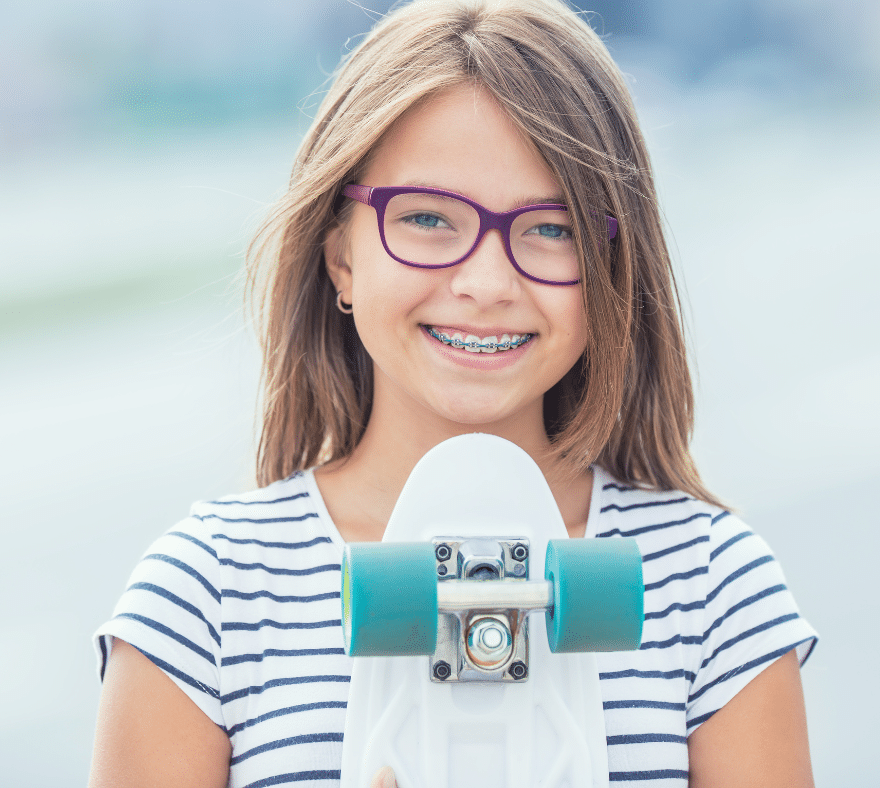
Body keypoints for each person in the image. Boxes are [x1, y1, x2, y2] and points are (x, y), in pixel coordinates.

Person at [88, 0, 817, 786]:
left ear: (612, 262)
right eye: (429, 218)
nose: (486, 283)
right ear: (341, 254)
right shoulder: (208, 599)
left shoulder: (709, 586)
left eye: (554, 227)